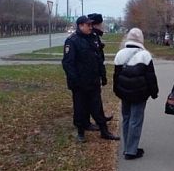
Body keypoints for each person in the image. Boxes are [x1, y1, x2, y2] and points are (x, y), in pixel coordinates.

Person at [62, 15, 119, 143]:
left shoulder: (93, 38)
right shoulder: (72, 41)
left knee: (97, 107)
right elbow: (68, 64)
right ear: (80, 26)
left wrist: (102, 75)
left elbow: (98, 58)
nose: (90, 27)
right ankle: (81, 132)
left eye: (90, 25)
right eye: (88, 25)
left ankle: (104, 131)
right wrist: (75, 80)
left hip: (93, 80)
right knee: (80, 108)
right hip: (79, 83)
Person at [113, 28, 159, 160]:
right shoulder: (145, 55)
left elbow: (116, 76)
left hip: (124, 93)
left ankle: (127, 147)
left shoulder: (120, 54)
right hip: (140, 93)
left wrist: (117, 91)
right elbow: (151, 77)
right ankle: (131, 151)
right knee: (136, 120)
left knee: (126, 118)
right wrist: (154, 92)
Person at [87, 13, 113, 129]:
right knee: (91, 99)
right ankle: (95, 120)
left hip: (96, 71)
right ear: (96, 24)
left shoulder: (95, 35)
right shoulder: (91, 35)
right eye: (100, 24)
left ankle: (100, 117)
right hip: (90, 73)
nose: (102, 26)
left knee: (96, 97)